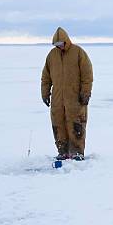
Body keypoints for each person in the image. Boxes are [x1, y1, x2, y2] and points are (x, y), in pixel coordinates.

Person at [41, 27, 93, 161]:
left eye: (61, 44)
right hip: (57, 100)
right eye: (56, 45)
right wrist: (45, 93)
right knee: (58, 125)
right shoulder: (52, 56)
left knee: (76, 125)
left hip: (75, 99)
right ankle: (62, 152)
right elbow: (46, 77)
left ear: (66, 41)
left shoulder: (78, 53)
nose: (59, 47)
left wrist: (86, 93)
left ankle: (77, 153)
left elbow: (87, 75)